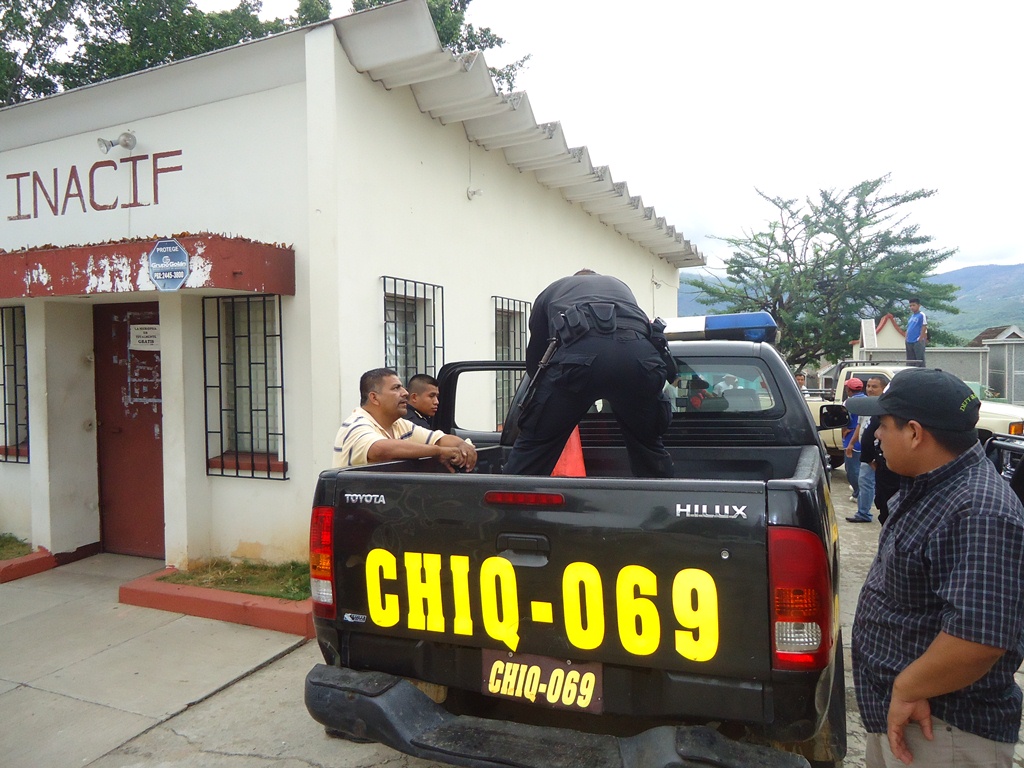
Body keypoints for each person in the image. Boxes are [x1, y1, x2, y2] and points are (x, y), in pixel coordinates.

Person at [847, 368, 1024, 767]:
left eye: (883, 424)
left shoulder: (978, 511)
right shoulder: (933, 486)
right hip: (913, 717)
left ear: (914, 432)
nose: (875, 435)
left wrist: (908, 688)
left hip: (943, 732)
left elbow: (978, 638)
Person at [502, 270, 673, 478]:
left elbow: (536, 358)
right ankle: (662, 503)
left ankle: (512, 500)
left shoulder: (554, 289)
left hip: (577, 361)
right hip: (640, 359)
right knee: (649, 446)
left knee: (535, 445)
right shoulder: (620, 286)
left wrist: (544, 405)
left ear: (575, 278)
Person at [332, 368, 477, 471]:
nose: (405, 393)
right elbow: (380, 449)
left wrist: (462, 445)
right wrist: (439, 452)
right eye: (396, 388)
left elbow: (439, 438)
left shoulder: (399, 424)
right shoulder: (356, 425)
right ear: (374, 398)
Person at [849, 375, 885, 523]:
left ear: (883, 389)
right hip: (865, 450)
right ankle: (863, 512)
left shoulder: (884, 406)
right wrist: (851, 443)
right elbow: (860, 425)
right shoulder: (865, 405)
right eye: (868, 386)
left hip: (878, 451)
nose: (870, 389)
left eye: (874, 386)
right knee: (865, 481)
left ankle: (865, 513)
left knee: (868, 481)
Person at [842, 378, 866, 504]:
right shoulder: (867, 400)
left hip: (852, 436)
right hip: (865, 436)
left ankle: (858, 493)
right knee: (863, 468)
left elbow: (843, 420)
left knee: (852, 468)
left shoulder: (848, 402)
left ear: (848, 390)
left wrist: (844, 432)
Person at [905, 297, 928, 364]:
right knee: (910, 360)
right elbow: (909, 327)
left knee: (919, 360)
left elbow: (924, 326)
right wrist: (906, 338)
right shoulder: (911, 316)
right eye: (910, 306)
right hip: (909, 341)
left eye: (914, 305)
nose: (912, 307)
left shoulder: (921, 315)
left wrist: (920, 338)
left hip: (917, 341)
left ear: (919, 305)